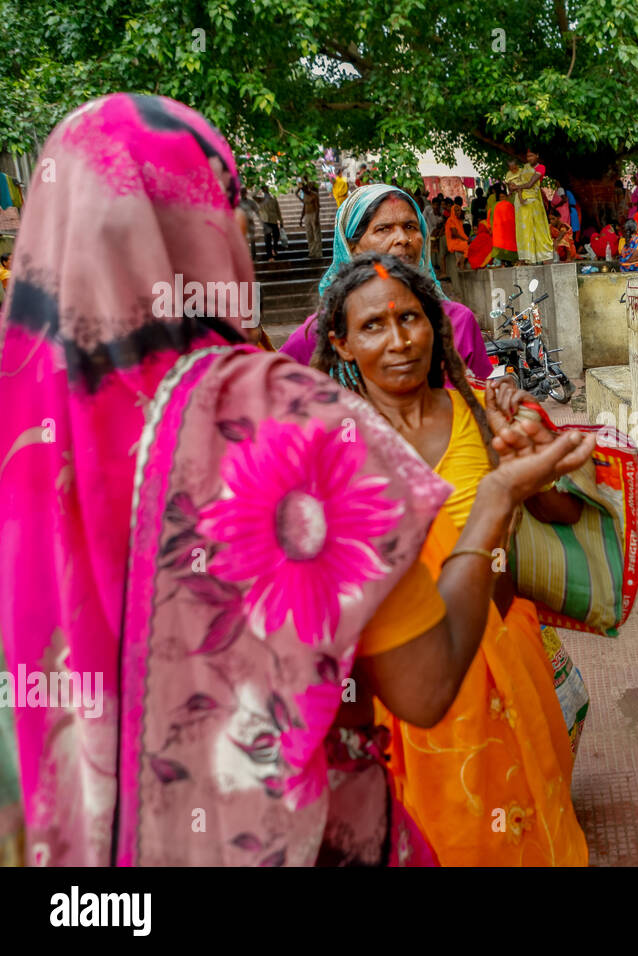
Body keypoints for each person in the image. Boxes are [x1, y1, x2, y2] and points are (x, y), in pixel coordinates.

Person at [0, 92, 596, 866]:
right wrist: (493, 504)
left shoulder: (26, 444)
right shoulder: (283, 416)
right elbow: (422, 688)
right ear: (214, 226)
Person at [311, 252, 590, 865]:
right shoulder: (331, 446)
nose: (398, 340)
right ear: (342, 342)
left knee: (528, 831)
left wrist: (529, 462)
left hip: (503, 662)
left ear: (435, 324)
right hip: (404, 686)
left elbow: (560, 517)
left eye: (409, 318)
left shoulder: (476, 412)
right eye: (373, 327)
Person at [278, 184, 491, 379]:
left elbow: (484, 407)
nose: (402, 239)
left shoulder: (457, 322)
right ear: (350, 245)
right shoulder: (323, 333)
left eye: (410, 227)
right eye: (384, 229)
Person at [505, 151, 554, 264]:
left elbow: (530, 184)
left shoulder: (540, 168)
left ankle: (544, 257)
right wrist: (516, 189)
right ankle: (526, 258)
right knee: (524, 230)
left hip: (534, 201)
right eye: (528, 156)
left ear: (537, 155)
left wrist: (516, 187)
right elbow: (514, 185)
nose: (529, 158)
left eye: (532, 155)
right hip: (521, 202)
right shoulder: (524, 169)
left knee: (539, 229)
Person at [490, 187, 518, 266]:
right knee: (501, 246)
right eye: (500, 197)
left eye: (503, 197)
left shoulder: (510, 205)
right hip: (500, 229)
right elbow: (491, 218)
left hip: (509, 229)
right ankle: (503, 262)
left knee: (509, 246)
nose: (502, 199)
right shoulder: (495, 206)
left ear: (507, 197)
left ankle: (510, 262)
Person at [257, 184, 284, 260]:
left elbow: (278, 211)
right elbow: (252, 195)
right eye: (264, 189)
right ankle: (269, 254)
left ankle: (274, 249)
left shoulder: (274, 200)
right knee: (267, 238)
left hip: (273, 220)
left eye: (266, 189)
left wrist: (281, 221)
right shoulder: (260, 200)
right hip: (265, 221)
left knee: (276, 236)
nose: (266, 191)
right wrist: (258, 188)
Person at [299, 175, 323, 258]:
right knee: (309, 235)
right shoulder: (305, 195)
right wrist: (301, 218)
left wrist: (316, 218)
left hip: (313, 214)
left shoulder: (314, 195)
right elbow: (304, 207)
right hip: (307, 215)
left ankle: (318, 253)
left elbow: (317, 208)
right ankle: (312, 252)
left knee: (316, 234)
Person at [237, 187, 262, 261]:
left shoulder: (250, 202)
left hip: (249, 222)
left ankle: (253, 256)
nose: (242, 194)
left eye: (243, 193)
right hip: (242, 223)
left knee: (251, 240)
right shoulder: (238, 202)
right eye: (242, 193)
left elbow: (257, 212)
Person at [445, 200, 470, 271]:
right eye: (455, 210)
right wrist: (465, 240)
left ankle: (460, 261)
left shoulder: (459, 220)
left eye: (459, 210)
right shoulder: (451, 220)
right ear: (452, 211)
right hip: (454, 243)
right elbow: (455, 234)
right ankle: (461, 262)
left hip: (459, 241)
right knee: (469, 247)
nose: (457, 212)